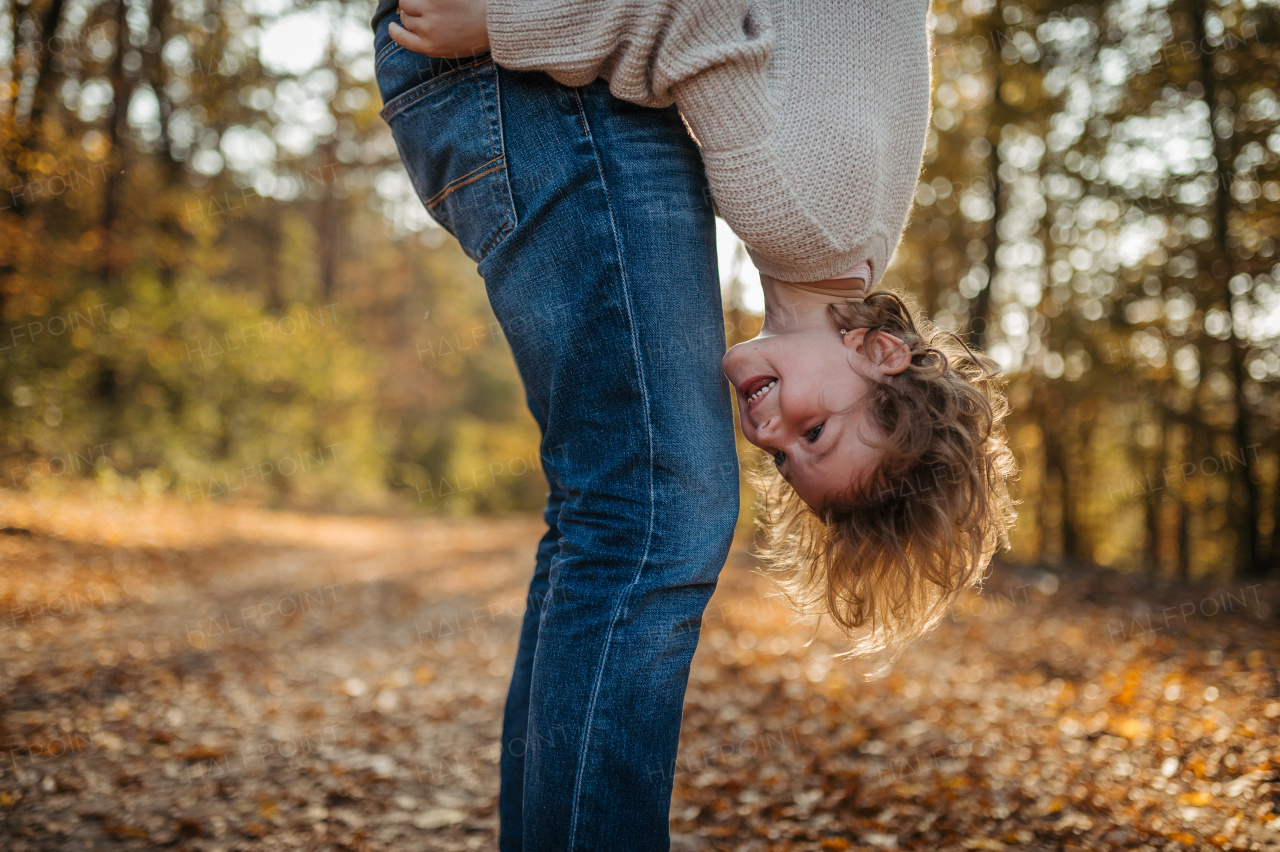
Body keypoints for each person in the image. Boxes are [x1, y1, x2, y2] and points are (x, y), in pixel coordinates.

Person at [375, 0, 1017, 848]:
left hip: (503, 81)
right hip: (501, 54)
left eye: (786, 461)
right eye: (814, 431)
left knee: (626, 514)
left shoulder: (852, 220)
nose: (767, 435)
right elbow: (694, 16)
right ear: (880, 354)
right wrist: (508, 22)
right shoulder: (796, 209)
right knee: (652, 512)